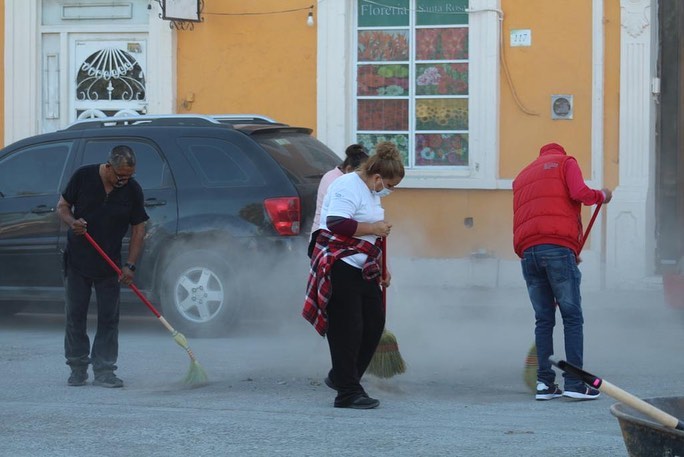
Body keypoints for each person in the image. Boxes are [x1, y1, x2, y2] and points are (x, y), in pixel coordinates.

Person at [302, 141, 404, 409]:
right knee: (348, 329)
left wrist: (384, 267)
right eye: (389, 185)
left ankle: (342, 377)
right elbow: (336, 222)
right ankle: (347, 392)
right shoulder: (348, 185)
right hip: (339, 264)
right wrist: (374, 227)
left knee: (373, 323)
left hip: (363, 265)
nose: (389, 191)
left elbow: (374, 234)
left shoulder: (371, 191)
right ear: (378, 176)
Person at [513, 142, 612, 401]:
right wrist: (601, 195)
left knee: (544, 319)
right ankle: (575, 384)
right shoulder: (566, 162)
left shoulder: (522, 176)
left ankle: (545, 384)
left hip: (528, 253)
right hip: (556, 248)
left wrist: (566, 251)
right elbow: (580, 193)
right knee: (571, 317)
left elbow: (530, 217)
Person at [57, 145, 149, 388]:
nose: (125, 180)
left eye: (130, 176)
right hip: (78, 261)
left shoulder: (132, 190)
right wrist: (72, 222)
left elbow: (139, 228)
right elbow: (62, 206)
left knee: (109, 318)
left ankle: (105, 370)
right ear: (108, 167)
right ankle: (77, 367)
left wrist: (130, 265)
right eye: (120, 175)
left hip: (110, 265)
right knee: (75, 316)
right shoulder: (83, 176)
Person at [307, 144, 369, 258]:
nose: (364, 179)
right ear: (349, 169)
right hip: (326, 242)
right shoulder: (336, 182)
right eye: (361, 175)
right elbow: (340, 220)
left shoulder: (344, 179)